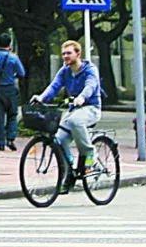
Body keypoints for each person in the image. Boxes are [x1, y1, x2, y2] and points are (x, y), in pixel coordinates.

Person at [31, 39, 101, 193]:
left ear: (78, 54)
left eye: (68, 53)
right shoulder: (65, 71)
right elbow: (54, 86)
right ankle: (70, 171)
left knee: (76, 121)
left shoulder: (90, 69)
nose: (65, 56)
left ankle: (90, 156)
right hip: (74, 109)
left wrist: (82, 97)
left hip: (91, 108)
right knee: (58, 139)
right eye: (63, 54)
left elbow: (90, 85)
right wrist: (41, 98)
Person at [0, 32, 26, 151]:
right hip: (10, 89)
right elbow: (22, 73)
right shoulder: (13, 57)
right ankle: (10, 138)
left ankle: (0, 143)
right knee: (12, 115)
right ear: (9, 44)